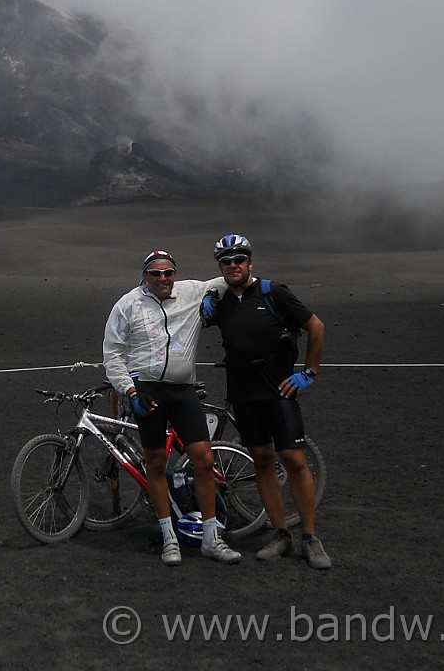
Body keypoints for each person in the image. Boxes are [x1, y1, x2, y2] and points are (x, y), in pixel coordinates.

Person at [102, 249, 241, 567]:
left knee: (204, 461)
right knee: (155, 462)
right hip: (146, 391)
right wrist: (129, 389)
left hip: (183, 391)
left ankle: (210, 539)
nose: (163, 278)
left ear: (175, 274)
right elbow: (112, 353)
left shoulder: (191, 290)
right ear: (144, 276)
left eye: (168, 272)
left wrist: (213, 297)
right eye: (155, 273)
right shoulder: (128, 304)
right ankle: (168, 538)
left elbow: (228, 279)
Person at [202, 233, 332, 570]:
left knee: (293, 459)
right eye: (226, 261)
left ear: (250, 263)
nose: (233, 265)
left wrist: (309, 373)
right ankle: (280, 534)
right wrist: (204, 299)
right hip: (243, 394)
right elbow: (189, 315)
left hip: (279, 391)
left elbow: (315, 326)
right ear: (220, 267)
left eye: (239, 259)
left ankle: (309, 537)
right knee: (262, 459)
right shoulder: (221, 303)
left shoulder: (273, 292)